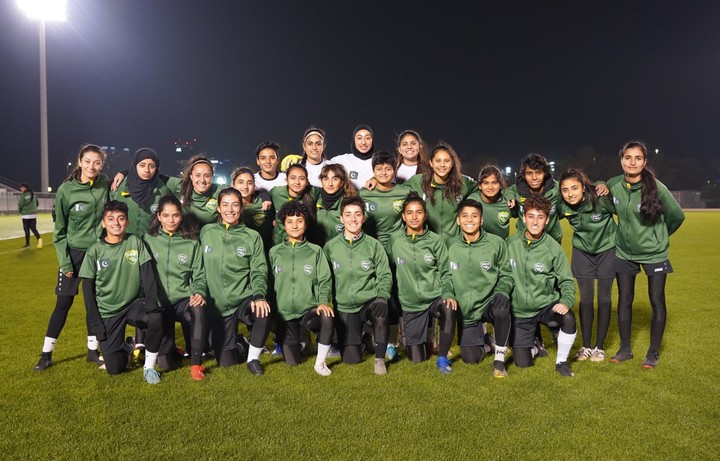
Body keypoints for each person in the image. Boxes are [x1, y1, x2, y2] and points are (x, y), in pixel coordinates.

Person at [607, 141, 685, 369]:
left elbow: (677, 216)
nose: (632, 162)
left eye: (638, 158)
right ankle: (625, 349)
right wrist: (600, 184)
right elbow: (608, 205)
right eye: (628, 157)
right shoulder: (614, 184)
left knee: (656, 299)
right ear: (621, 160)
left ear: (644, 162)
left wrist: (660, 237)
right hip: (624, 252)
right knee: (624, 299)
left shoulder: (657, 187)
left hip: (654, 254)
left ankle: (653, 352)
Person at [34, 144, 109, 371]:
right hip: (73, 255)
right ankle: (46, 354)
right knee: (63, 303)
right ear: (79, 162)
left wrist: (123, 174)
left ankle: (92, 352)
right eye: (87, 161)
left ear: (102, 165)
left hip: (96, 254)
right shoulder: (66, 190)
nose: (91, 166)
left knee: (93, 304)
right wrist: (65, 262)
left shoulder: (105, 183)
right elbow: (59, 232)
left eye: (97, 162)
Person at [79, 200, 163, 383]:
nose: (116, 223)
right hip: (108, 311)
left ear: (127, 222)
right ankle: (128, 346)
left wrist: (151, 304)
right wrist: (96, 323)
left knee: (155, 318)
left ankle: (149, 368)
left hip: (133, 305)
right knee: (115, 369)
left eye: (121, 218)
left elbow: (147, 274)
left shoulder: (134, 241)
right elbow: (87, 290)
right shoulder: (95, 250)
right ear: (103, 223)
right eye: (110, 219)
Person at [200, 187, 271, 374]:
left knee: (263, 312)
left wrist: (259, 295)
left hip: (243, 299)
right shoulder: (206, 232)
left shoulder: (252, 237)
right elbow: (197, 267)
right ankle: (240, 343)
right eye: (225, 205)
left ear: (241, 208)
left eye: (235, 205)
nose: (230, 210)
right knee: (226, 363)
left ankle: (253, 359)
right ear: (218, 208)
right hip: (217, 306)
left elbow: (259, 270)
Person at [506, 196, 577, 377]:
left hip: (545, 306)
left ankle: (561, 361)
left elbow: (567, 280)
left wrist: (566, 301)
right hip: (520, 311)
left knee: (568, 317)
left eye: (540, 217)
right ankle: (535, 346)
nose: (535, 222)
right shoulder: (510, 244)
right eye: (531, 216)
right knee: (523, 364)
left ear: (547, 220)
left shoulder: (553, 248)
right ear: (523, 218)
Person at [387, 193, 457, 374]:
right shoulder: (395, 240)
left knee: (449, 308)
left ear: (425, 215)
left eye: (419, 212)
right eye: (409, 213)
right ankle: (419, 341)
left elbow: (445, 271)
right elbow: (388, 270)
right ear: (403, 216)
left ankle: (442, 357)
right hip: (411, 304)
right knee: (416, 359)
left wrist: (447, 293)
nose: (414, 217)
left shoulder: (435, 240)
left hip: (434, 297)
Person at [323, 196, 392, 375]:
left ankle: (379, 358)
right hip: (345, 306)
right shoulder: (330, 247)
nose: (353, 219)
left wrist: (382, 296)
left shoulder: (374, 245)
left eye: (357, 214)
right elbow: (324, 280)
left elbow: (385, 275)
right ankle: (366, 340)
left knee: (381, 312)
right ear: (341, 218)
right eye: (348, 215)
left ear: (363, 217)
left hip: (369, 301)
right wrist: (324, 301)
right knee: (351, 359)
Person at [143, 195, 208, 380]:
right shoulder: (148, 239)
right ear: (158, 216)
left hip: (182, 301)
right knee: (166, 364)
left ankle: (196, 364)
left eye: (175, 215)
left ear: (181, 216)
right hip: (159, 304)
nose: (171, 220)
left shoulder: (192, 241)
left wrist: (199, 292)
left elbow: (200, 274)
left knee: (198, 308)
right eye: (166, 215)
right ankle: (171, 348)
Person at [448, 199, 513, 377]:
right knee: (471, 358)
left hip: (489, 302)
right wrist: (447, 293)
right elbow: (445, 276)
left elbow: (507, 274)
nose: (469, 220)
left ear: (481, 220)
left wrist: (502, 291)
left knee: (501, 308)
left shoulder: (496, 243)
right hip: (467, 310)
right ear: (458, 220)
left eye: (474, 216)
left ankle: (499, 360)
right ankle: (487, 342)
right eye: (465, 216)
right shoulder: (450, 245)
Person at [269, 201, 335, 376]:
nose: (295, 226)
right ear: (284, 225)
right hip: (285, 315)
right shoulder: (274, 252)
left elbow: (325, 280)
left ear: (305, 225)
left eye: (299, 221)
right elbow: (268, 283)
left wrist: (323, 301)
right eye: (290, 221)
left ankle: (320, 362)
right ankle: (303, 342)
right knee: (292, 362)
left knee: (327, 316)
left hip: (308, 310)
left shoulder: (315, 251)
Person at [558, 168, 617, 362]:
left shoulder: (600, 199)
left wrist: (603, 183)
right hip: (582, 252)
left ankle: (599, 347)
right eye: (565, 190)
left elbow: (625, 213)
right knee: (585, 299)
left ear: (583, 187)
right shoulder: (563, 206)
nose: (570, 194)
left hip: (607, 250)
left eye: (574, 188)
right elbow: (543, 212)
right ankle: (586, 346)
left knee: (604, 298)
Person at [404, 142, 476, 246]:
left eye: (447, 161)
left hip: (454, 245)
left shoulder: (463, 182)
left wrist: (508, 195)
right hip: (427, 245)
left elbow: (486, 188)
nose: (442, 165)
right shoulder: (418, 181)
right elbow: (395, 191)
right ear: (431, 163)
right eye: (438, 161)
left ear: (452, 163)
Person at [111, 148, 180, 235]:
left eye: (152, 166)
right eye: (142, 165)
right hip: (124, 241)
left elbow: (186, 184)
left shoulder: (163, 186)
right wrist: (125, 172)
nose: (147, 170)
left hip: (152, 241)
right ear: (135, 166)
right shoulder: (119, 185)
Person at [506, 153, 563, 243]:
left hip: (552, 242)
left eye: (538, 172)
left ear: (545, 173)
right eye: (529, 173)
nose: (534, 177)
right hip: (524, 243)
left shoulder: (557, 189)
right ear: (524, 175)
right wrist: (509, 195)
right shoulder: (516, 190)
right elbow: (504, 190)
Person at [359, 151, 411, 250]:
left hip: (396, 245)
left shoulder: (404, 192)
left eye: (388, 169)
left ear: (394, 171)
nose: (383, 173)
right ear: (373, 171)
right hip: (370, 246)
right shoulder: (363, 194)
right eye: (379, 169)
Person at [269, 163, 319, 246]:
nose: (297, 182)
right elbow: (263, 195)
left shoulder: (313, 192)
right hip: (279, 244)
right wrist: (265, 197)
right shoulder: (276, 193)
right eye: (293, 178)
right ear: (286, 180)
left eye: (302, 178)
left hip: (303, 244)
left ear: (307, 181)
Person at [232, 166, 275, 252]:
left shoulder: (264, 202)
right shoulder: (228, 205)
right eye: (240, 182)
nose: (245, 186)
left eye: (250, 183)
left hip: (264, 249)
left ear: (254, 186)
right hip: (238, 249)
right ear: (233, 185)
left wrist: (266, 196)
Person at [315, 164, 357, 245]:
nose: (330, 183)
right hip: (318, 251)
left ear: (341, 183)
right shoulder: (315, 199)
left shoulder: (349, 205)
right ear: (321, 182)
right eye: (326, 179)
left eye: (335, 179)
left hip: (340, 251)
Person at [466, 165, 512, 239]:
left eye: (494, 183)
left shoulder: (508, 202)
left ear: (500, 185)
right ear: (480, 185)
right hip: (479, 244)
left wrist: (509, 194)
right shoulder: (473, 201)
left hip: (501, 244)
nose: (490, 187)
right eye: (486, 183)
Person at [179, 155, 221, 227]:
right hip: (186, 233)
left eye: (207, 176)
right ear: (191, 176)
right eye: (197, 175)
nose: (202, 180)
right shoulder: (181, 187)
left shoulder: (220, 191)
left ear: (212, 177)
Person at [331, 125, 376, 190]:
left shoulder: (380, 161)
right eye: (359, 138)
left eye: (367, 138)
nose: (363, 142)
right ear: (354, 140)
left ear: (372, 140)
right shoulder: (342, 160)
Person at [18, 183, 42, 249]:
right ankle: (39, 239)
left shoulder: (23, 195)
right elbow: (37, 203)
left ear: (25, 188)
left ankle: (27, 244)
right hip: (33, 215)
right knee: (33, 228)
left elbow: (21, 204)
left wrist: (20, 211)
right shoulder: (33, 194)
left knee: (26, 230)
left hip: (26, 215)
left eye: (21, 187)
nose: (20, 189)